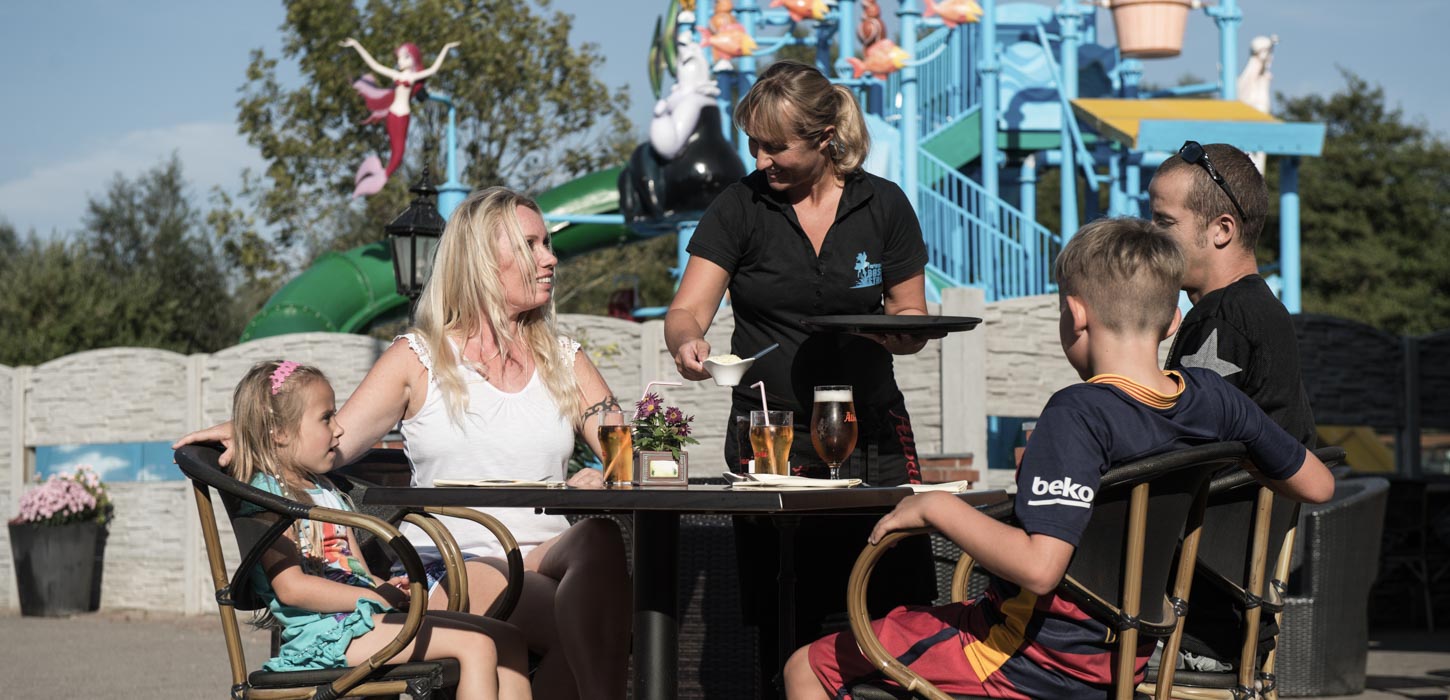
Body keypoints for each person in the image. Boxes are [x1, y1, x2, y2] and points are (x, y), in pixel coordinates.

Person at [783, 217, 1335, 699]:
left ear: (1075, 314)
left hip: (1029, 658)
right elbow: (1318, 485)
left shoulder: (1078, 414)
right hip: (1126, 654)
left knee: (807, 665)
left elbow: (1039, 568)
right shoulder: (1213, 400)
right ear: (1172, 322)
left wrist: (936, 508)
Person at [175, 187, 630, 700]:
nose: (550, 258)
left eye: (547, 243)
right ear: (483, 259)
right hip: (454, 563)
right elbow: (330, 440)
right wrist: (257, 429)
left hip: (542, 554)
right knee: (593, 625)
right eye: (531, 245)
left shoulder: (564, 359)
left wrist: (606, 472)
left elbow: (624, 456)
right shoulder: (419, 358)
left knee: (599, 540)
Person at [663, 59, 940, 682]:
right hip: (771, 437)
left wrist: (901, 332)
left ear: (824, 138)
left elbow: (911, 315)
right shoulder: (739, 206)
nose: (761, 159)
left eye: (775, 146)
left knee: (893, 607)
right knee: (782, 611)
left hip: (871, 435)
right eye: (753, 145)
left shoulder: (884, 204)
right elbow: (686, 311)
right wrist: (687, 344)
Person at [227, 359, 531, 700]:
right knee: (476, 646)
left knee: (509, 639)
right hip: (325, 635)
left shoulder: (327, 490)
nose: (339, 429)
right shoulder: (268, 497)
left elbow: (357, 572)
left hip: (362, 619)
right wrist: (373, 596)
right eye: (326, 418)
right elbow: (291, 589)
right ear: (280, 432)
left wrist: (383, 587)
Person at [1149, 142, 1319, 669]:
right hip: (1227, 620)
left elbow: (1171, 454)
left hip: (1187, 627)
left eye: (1164, 222)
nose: (1151, 235)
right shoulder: (1257, 310)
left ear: (1221, 230)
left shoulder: (1222, 322)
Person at [341, 38, 460, 197]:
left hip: (404, 115)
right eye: (399, 58)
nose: (400, 61)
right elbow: (374, 65)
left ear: (413, 59)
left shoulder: (413, 77)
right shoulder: (396, 75)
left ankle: (381, 174)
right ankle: (381, 175)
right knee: (396, 151)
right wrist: (356, 45)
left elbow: (433, 69)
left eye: (405, 57)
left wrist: (446, 47)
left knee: (399, 153)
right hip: (393, 115)